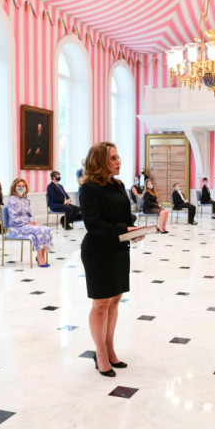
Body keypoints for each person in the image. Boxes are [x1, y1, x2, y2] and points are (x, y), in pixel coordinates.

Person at [79, 141, 146, 377]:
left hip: (118, 250)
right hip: (97, 251)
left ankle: (109, 348)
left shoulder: (119, 185)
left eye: (118, 157)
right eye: (113, 158)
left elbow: (125, 217)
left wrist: (134, 231)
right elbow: (93, 223)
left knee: (115, 299)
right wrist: (123, 229)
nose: (119, 162)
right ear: (100, 162)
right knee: (101, 303)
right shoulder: (89, 188)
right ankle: (100, 354)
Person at [6, 178, 53, 267]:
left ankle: (40, 255)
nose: (21, 187)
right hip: (16, 227)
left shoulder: (25, 199)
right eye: (19, 186)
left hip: (27, 224)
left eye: (23, 186)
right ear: (14, 187)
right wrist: (27, 222)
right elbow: (13, 218)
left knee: (46, 229)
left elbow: (29, 214)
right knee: (38, 231)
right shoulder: (12, 200)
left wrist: (32, 221)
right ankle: (40, 258)